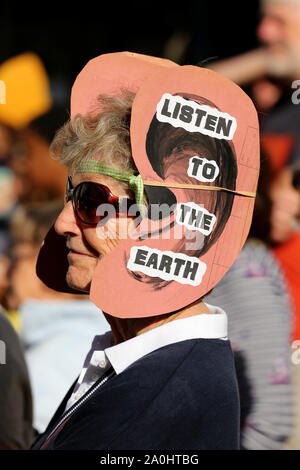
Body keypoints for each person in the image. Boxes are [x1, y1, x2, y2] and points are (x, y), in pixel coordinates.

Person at [30, 52, 260, 450]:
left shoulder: (162, 398)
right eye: (71, 195)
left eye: (90, 201)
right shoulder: (141, 362)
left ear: (169, 222)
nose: (63, 224)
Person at [3, 200, 110, 434]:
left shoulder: (51, 357)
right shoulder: (97, 334)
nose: (5, 268)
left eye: (16, 255)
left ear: (60, 259)